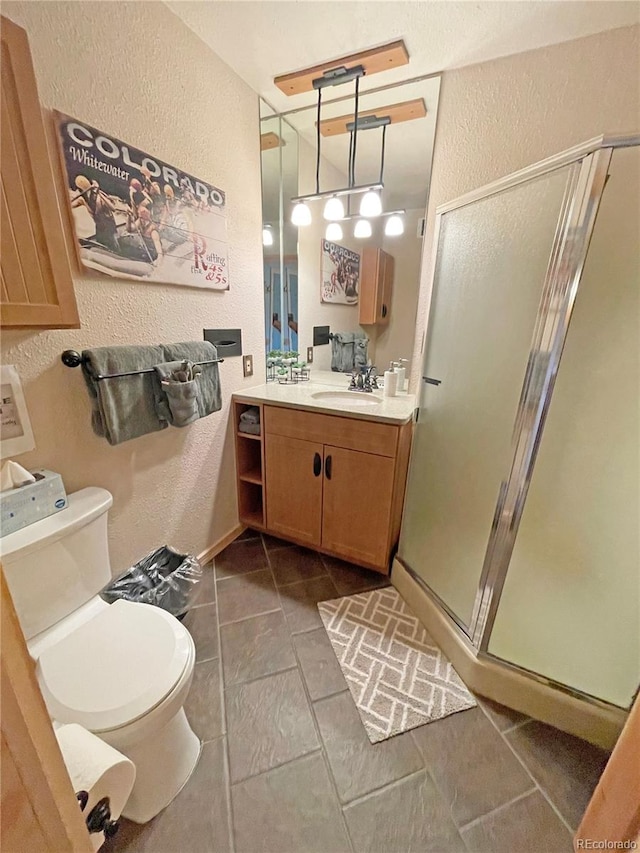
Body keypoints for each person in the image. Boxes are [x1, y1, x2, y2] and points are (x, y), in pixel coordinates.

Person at [71, 175, 119, 251]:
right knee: (101, 244)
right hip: (99, 225)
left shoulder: (98, 195)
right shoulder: (84, 197)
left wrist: (99, 194)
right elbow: (72, 205)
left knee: (113, 245)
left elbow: (111, 208)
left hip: (107, 225)